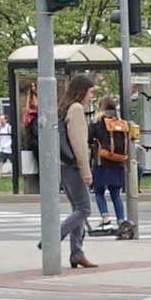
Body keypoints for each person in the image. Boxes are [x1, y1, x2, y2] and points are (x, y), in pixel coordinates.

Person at [58, 71, 97, 269]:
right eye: (90, 92)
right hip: (74, 166)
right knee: (84, 209)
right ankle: (53, 238)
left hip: (64, 165)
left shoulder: (65, 107)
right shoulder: (76, 109)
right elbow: (79, 143)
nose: (92, 96)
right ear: (82, 91)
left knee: (77, 209)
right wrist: (86, 171)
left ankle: (77, 253)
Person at [91, 94, 132, 230]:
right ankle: (121, 220)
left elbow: (89, 138)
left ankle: (106, 218)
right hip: (119, 162)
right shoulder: (121, 122)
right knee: (116, 194)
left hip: (102, 161)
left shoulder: (97, 120)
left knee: (99, 191)